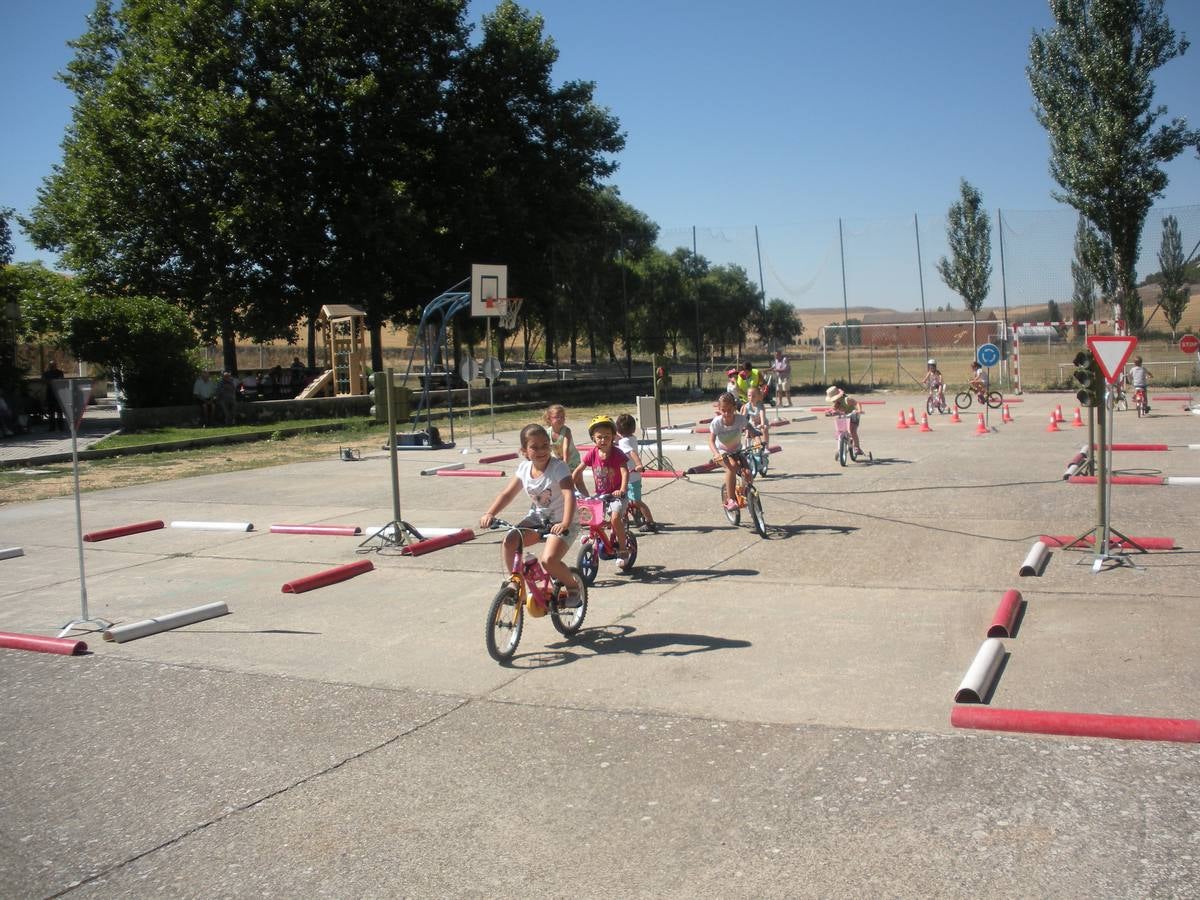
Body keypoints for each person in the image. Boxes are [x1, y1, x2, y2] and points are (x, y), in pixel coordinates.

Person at [479, 423, 582, 607]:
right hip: (540, 519)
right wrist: (490, 513)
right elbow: (507, 494)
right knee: (510, 541)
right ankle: (515, 584)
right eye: (534, 447)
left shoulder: (559, 467)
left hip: (564, 520)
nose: (541, 450)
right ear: (524, 451)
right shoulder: (524, 469)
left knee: (548, 560)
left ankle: (573, 586)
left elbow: (569, 494)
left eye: (545, 445)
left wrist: (565, 523)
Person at [572, 415, 632, 569]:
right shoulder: (592, 453)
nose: (603, 440)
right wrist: (574, 488)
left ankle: (623, 549)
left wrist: (623, 489)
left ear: (613, 436)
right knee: (589, 517)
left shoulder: (617, 453)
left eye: (607, 436)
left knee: (614, 519)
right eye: (599, 437)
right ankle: (594, 537)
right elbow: (578, 472)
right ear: (593, 438)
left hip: (616, 495)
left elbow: (625, 471)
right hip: (601, 495)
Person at [615, 413, 658, 533]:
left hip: (631, 477)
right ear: (633, 429)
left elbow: (632, 453)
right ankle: (630, 517)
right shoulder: (631, 438)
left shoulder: (623, 442)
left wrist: (639, 464)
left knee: (637, 502)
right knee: (626, 500)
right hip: (630, 476)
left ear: (618, 430)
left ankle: (650, 522)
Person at [709, 391, 752, 511]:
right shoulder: (717, 422)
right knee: (732, 466)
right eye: (723, 410)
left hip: (737, 451)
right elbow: (711, 441)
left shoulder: (740, 419)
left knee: (748, 472)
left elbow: (749, 427)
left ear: (734, 407)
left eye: (730, 410)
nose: (727, 413)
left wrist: (757, 436)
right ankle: (731, 499)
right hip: (723, 453)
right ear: (719, 409)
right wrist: (716, 454)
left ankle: (744, 493)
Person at [824, 385, 864, 457]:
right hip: (845, 417)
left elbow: (857, 403)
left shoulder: (846, 400)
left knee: (852, 430)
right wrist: (829, 412)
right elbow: (833, 409)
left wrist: (859, 410)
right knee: (840, 430)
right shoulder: (837, 403)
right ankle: (840, 448)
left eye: (833, 399)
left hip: (853, 415)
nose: (833, 401)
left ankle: (857, 447)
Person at [544, 403, 581, 471]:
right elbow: (546, 448)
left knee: (577, 480)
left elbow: (565, 448)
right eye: (557, 417)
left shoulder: (566, 431)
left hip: (572, 460)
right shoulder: (547, 433)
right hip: (559, 461)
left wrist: (564, 464)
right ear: (549, 419)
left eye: (562, 417)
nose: (560, 419)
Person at [41, 358, 65, 432]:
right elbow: (44, 381)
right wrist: (52, 382)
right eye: (51, 365)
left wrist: (51, 382)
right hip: (50, 394)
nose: (52, 366)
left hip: (58, 394)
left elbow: (61, 381)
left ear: (56, 366)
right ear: (49, 366)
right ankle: (52, 427)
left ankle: (61, 427)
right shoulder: (46, 373)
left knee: (59, 412)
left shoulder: (60, 372)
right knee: (51, 412)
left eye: (54, 365)